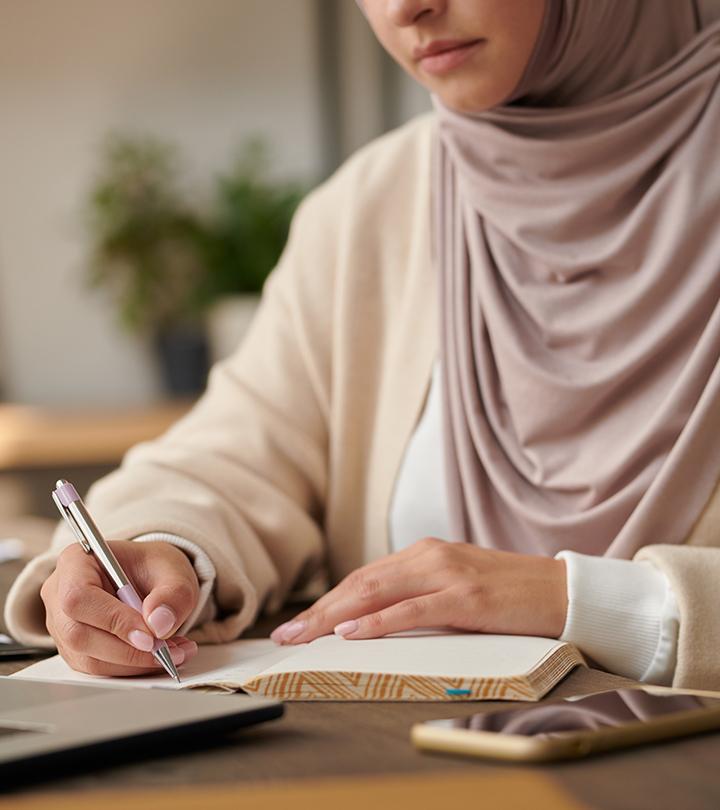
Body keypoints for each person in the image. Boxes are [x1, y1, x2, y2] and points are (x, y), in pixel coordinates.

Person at [6, 0, 720, 689]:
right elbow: (233, 455)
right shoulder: (372, 206)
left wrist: (577, 600)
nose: (404, 8)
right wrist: (160, 552)